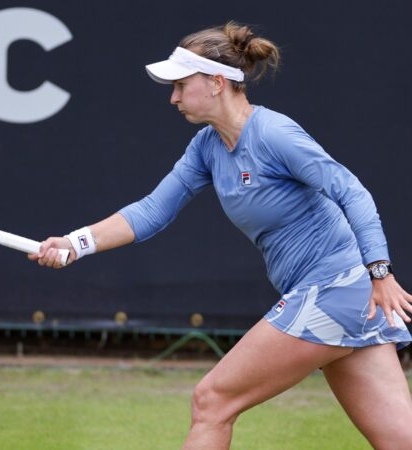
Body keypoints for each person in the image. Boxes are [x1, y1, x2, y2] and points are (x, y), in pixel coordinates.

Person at [29, 21, 412, 449]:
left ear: (216, 82)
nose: (173, 97)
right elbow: (153, 210)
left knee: (211, 401)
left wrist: (381, 271)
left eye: (180, 85)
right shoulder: (207, 147)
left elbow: (351, 191)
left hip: (336, 288)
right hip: (348, 295)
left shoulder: (274, 134)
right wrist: (75, 243)